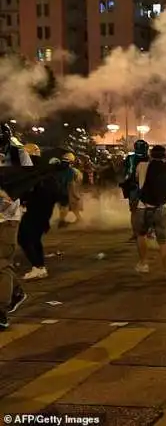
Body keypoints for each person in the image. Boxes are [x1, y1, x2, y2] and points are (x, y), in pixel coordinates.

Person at [0, 124, 32, 330]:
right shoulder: (18, 154)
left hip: (6, 219)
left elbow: (27, 181)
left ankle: (1, 311)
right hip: (9, 216)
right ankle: (16, 291)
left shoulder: (16, 156)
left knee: (1, 264)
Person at [133, 145, 166, 280]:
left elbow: (136, 179)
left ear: (151, 155)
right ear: (164, 156)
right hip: (161, 208)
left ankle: (143, 264)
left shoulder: (141, 166)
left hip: (142, 207)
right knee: (163, 240)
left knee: (141, 235)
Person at [18, 144, 59, 281]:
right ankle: (40, 267)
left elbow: (30, 191)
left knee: (23, 238)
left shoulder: (33, 171)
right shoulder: (44, 170)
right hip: (42, 211)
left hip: (36, 210)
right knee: (34, 239)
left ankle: (37, 266)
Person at [122, 140, 150, 240]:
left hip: (133, 188)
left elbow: (126, 173)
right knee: (148, 210)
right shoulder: (150, 159)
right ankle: (147, 232)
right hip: (147, 188)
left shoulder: (130, 158)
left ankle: (136, 233)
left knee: (134, 211)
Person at [57, 152, 83, 227]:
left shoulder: (57, 170)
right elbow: (71, 184)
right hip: (65, 192)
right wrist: (75, 195)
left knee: (65, 206)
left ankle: (77, 219)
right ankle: (62, 221)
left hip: (59, 192)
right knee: (67, 206)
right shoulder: (71, 171)